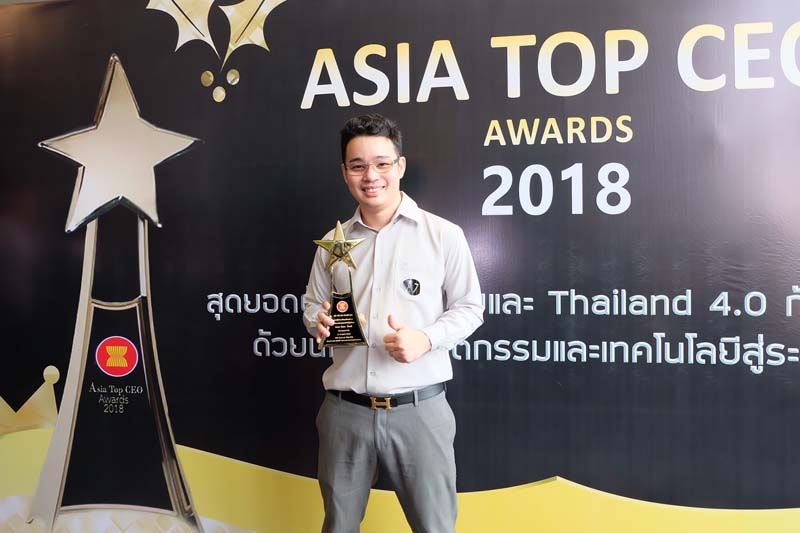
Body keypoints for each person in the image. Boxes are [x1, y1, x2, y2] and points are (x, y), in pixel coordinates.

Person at [303, 113, 483, 533]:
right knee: (338, 526)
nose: (371, 176)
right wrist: (319, 321)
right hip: (344, 413)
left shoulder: (443, 235)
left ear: (400, 166)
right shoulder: (332, 244)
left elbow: (470, 308)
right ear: (344, 172)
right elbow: (312, 304)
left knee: (435, 527)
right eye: (358, 165)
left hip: (419, 411)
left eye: (382, 163)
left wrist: (426, 339)